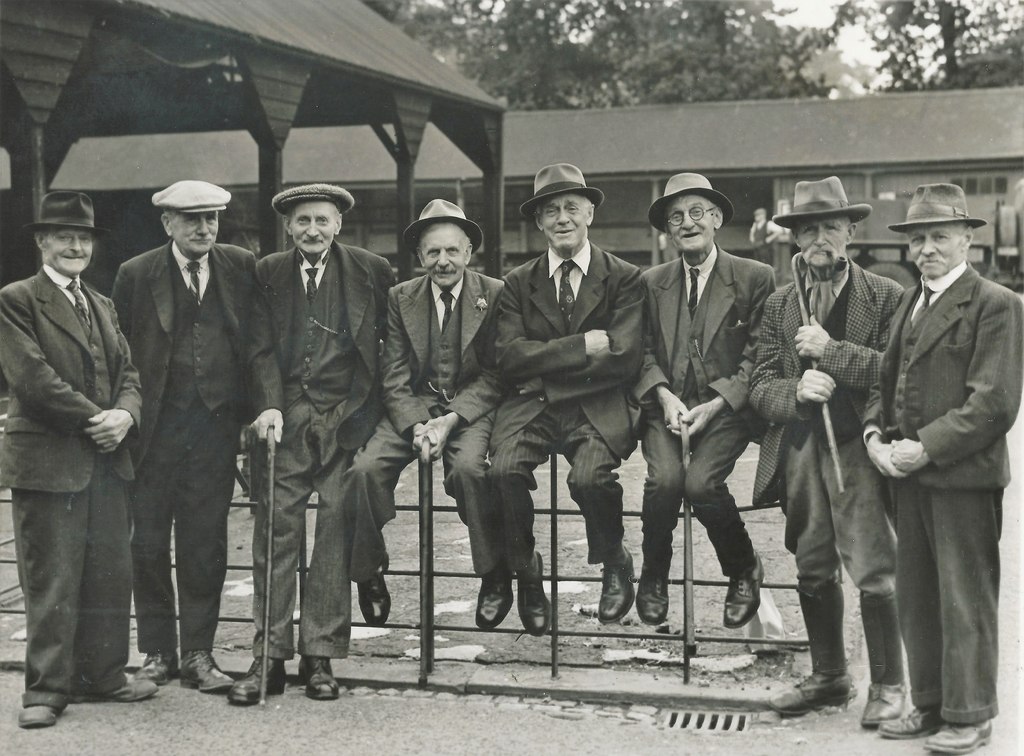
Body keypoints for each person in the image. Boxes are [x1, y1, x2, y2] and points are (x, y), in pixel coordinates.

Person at [864, 184, 1023, 754]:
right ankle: (930, 705)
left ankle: (971, 714)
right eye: (917, 239)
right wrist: (876, 436)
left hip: (961, 478)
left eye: (939, 237)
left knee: (965, 598)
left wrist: (925, 446)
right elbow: (886, 383)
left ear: (968, 240)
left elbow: (994, 403)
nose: (927, 249)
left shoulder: (997, 304)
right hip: (908, 477)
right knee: (918, 597)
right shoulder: (911, 302)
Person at [749, 177, 906, 726]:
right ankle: (830, 678)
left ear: (851, 232)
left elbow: (896, 375)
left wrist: (831, 352)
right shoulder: (778, 303)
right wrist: (794, 391)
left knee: (873, 567)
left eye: (830, 227)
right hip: (801, 451)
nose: (820, 238)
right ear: (794, 238)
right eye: (808, 228)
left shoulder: (886, 295)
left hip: (856, 449)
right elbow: (760, 383)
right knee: (812, 565)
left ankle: (888, 684)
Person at [230, 184, 394, 704]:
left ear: (339, 224)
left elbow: (386, 350)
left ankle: (320, 656)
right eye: (303, 221)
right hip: (286, 416)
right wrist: (268, 404)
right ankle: (268, 657)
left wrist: (366, 414)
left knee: (334, 534)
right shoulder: (269, 272)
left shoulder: (372, 269)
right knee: (275, 532)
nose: (312, 230)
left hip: (346, 416)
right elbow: (256, 348)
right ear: (288, 226)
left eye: (322, 220)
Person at [0, 191, 156, 729]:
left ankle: (105, 675)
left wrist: (127, 416)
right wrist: (101, 419)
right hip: (49, 462)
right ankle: (46, 689)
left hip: (108, 462)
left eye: (83, 237)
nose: (74, 245)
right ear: (42, 241)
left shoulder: (103, 303)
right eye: (63, 235)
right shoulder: (16, 299)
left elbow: (130, 374)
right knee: (52, 577)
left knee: (110, 573)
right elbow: (32, 378)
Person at [111, 180, 257, 693]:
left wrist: (250, 416)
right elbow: (119, 352)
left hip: (214, 430)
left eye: (212, 218)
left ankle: (198, 653)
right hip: (152, 434)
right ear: (167, 223)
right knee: (146, 544)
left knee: (204, 545)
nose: (204, 228)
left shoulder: (240, 265)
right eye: (191, 219)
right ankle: (156, 653)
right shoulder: (136, 273)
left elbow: (256, 344)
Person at [487, 163, 643, 635]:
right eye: (550, 210)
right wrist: (579, 348)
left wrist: (546, 368)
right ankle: (526, 570)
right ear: (538, 222)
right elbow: (508, 358)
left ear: (589, 213)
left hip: (595, 408)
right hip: (531, 407)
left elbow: (623, 356)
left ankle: (615, 560)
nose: (562, 219)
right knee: (501, 470)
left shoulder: (624, 277)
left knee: (590, 478)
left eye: (571, 208)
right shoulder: (518, 282)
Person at [340, 200, 509, 629]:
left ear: (469, 252)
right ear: (419, 257)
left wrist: (451, 420)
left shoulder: (494, 293)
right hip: (412, 407)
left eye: (453, 251)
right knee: (363, 470)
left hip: (468, 410)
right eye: (432, 252)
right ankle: (369, 571)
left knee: (471, 471)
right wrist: (416, 425)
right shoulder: (401, 297)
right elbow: (392, 371)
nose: (443, 261)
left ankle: (493, 573)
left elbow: (495, 373)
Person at [633, 173, 775, 628]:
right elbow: (641, 351)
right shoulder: (650, 282)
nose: (687, 223)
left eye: (697, 213)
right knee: (663, 484)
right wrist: (663, 394)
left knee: (701, 485)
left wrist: (717, 403)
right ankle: (653, 575)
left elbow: (761, 354)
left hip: (726, 410)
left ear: (716, 219)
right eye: (676, 217)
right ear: (667, 230)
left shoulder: (754, 277)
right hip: (667, 408)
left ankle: (743, 570)